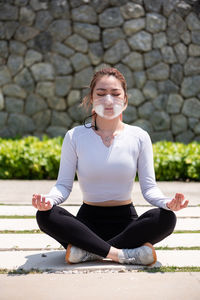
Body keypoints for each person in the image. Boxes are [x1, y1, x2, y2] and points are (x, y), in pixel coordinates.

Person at [32, 67, 189, 266]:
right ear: (91, 98)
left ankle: (88, 251)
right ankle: (121, 254)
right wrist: (48, 200)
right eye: (101, 93)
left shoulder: (139, 136)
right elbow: (63, 186)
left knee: (167, 218)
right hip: (86, 224)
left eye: (115, 94)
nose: (108, 99)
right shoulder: (75, 136)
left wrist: (167, 203)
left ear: (125, 101)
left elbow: (149, 189)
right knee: (46, 215)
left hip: (127, 223)